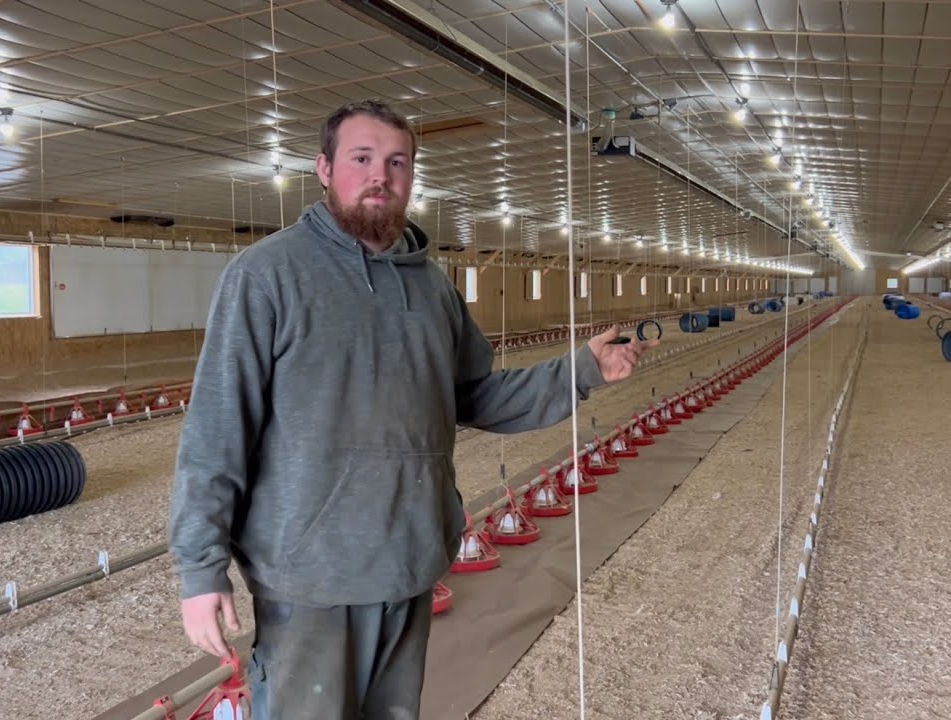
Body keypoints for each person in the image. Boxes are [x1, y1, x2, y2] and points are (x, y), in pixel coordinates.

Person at [167, 99, 658, 720]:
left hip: (409, 564)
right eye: (362, 159)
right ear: (324, 169)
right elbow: (216, 430)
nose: (381, 176)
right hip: (310, 581)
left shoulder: (432, 289)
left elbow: (477, 396)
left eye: (397, 163)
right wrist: (201, 570)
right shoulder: (266, 276)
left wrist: (580, 372)